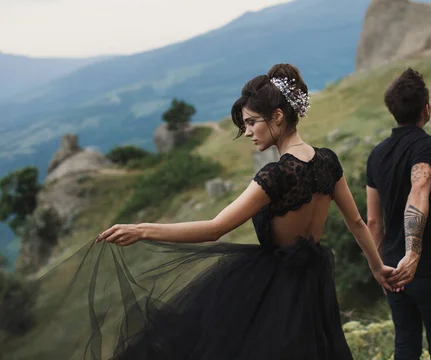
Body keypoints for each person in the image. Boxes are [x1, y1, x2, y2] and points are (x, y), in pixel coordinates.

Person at [89, 63, 395, 359]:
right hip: (314, 286)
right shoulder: (329, 161)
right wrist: (378, 267)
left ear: (277, 116)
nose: (247, 131)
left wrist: (142, 230)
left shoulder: (277, 175)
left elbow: (215, 228)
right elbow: (356, 222)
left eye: (251, 122)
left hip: (276, 291)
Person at [365, 68, 431, 360]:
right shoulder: (429, 146)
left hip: (394, 272)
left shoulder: (376, 155)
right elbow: (419, 189)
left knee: (405, 348)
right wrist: (414, 254)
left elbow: (373, 221)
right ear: (427, 109)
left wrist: (378, 268)